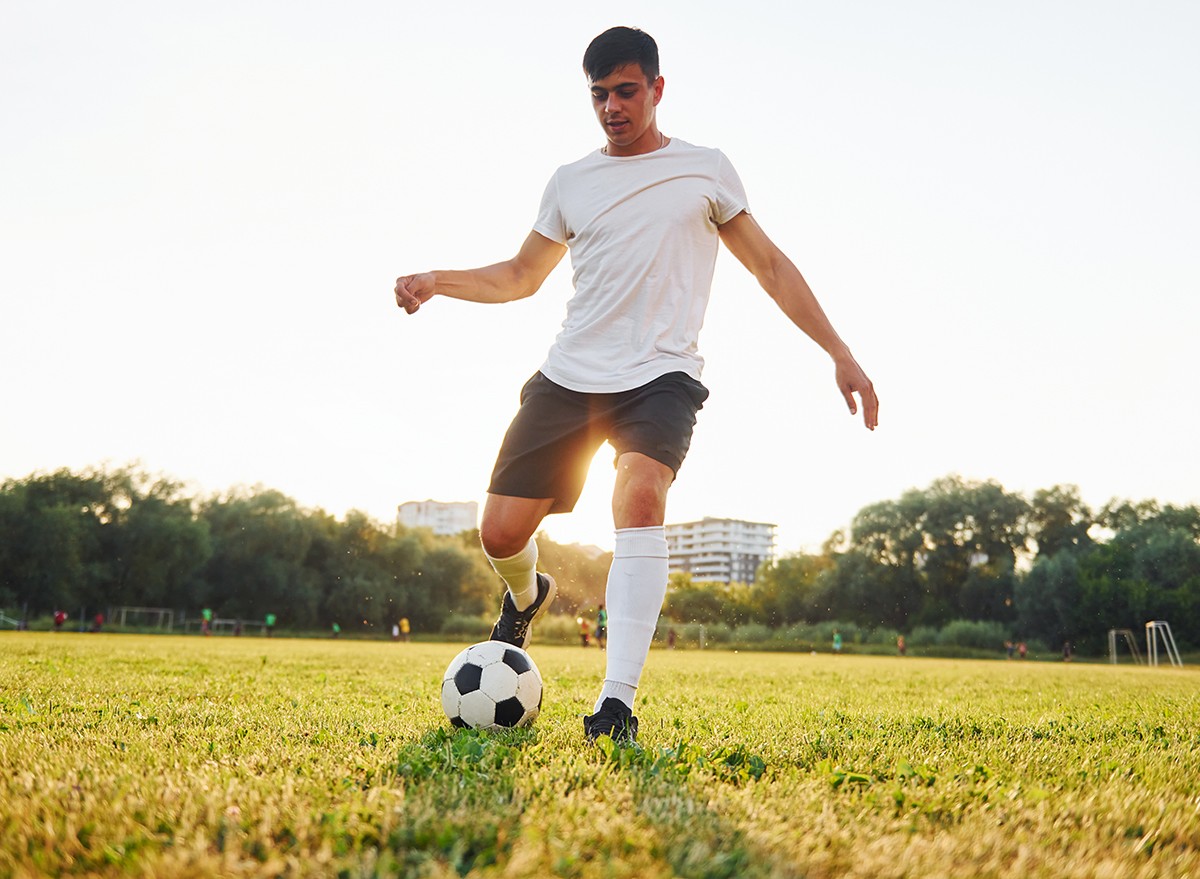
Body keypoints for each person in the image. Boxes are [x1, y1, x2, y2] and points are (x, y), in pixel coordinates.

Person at [394, 27, 878, 743]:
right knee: (498, 530)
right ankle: (527, 597)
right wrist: (439, 280)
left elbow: (770, 266)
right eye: (598, 95)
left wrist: (839, 349)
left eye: (625, 91)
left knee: (641, 492)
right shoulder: (571, 181)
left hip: (662, 374)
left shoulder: (705, 170)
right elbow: (521, 277)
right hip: (570, 376)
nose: (612, 107)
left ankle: (615, 702)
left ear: (656, 88)